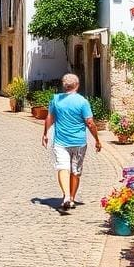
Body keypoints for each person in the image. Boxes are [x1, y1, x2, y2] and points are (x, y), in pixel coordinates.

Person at [41, 73, 101, 212]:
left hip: (60, 142)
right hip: (79, 142)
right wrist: (97, 140)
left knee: (62, 167)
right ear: (77, 86)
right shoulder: (82, 102)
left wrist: (45, 134)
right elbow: (90, 123)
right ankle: (71, 198)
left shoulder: (56, 99)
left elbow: (49, 118)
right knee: (75, 171)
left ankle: (67, 197)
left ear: (64, 86)